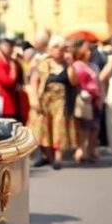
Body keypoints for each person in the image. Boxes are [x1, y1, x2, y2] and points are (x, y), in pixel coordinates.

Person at [31, 35, 76, 170]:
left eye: (62, 48)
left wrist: (71, 64)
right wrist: (34, 99)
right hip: (45, 101)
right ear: (50, 49)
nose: (59, 51)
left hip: (61, 102)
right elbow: (34, 82)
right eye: (56, 47)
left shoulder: (67, 65)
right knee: (42, 128)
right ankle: (46, 155)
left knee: (58, 128)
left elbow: (74, 82)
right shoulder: (42, 63)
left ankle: (57, 158)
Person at [69, 39, 101, 163]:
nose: (89, 52)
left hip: (95, 99)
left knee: (94, 127)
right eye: (87, 49)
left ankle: (91, 149)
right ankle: (81, 150)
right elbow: (76, 83)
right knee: (84, 127)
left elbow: (98, 82)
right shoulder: (77, 65)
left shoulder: (93, 65)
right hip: (84, 100)